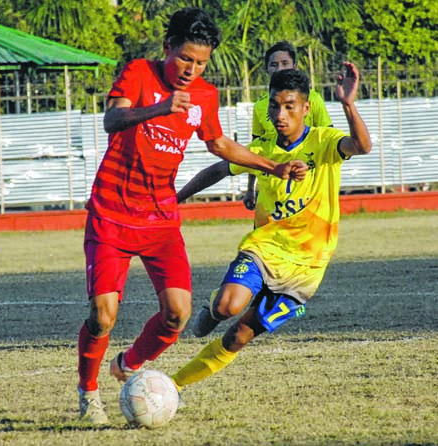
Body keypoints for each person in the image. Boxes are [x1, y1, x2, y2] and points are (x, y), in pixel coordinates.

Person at [77, 7, 308, 424]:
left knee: (178, 315)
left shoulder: (205, 95)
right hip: (111, 213)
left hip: (160, 220)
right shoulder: (139, 73)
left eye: (200, 63)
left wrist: (272, 167)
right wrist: (160, 108)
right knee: (103, 316)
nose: (191, 69)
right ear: (168, 47)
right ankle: (88, 392)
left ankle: (128, 364)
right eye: (185, 58)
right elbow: (112, 119)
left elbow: (219, 145)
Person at [170, 63, 371, 396]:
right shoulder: (262, 150)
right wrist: (176, 198)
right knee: (227, 307)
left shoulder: (324, 141)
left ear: (306, 108)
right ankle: (214, 307)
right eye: (275, 105)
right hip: (264, 249)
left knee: (238, 336)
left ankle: (174, 385)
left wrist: (348, 105)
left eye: (289, 106)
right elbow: (219, 169)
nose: (280, 114)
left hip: (307, 268)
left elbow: (361, 146)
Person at [243, 41, 333, 211]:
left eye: (285, 63)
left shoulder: (313, 100)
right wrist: (250, 189)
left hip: (307, 186)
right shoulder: (260, 106)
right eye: (274, 65)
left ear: (295, 66)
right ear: (267, 69)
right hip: (271, 187)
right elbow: (254, 153)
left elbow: (329, 142)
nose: (279, 69)